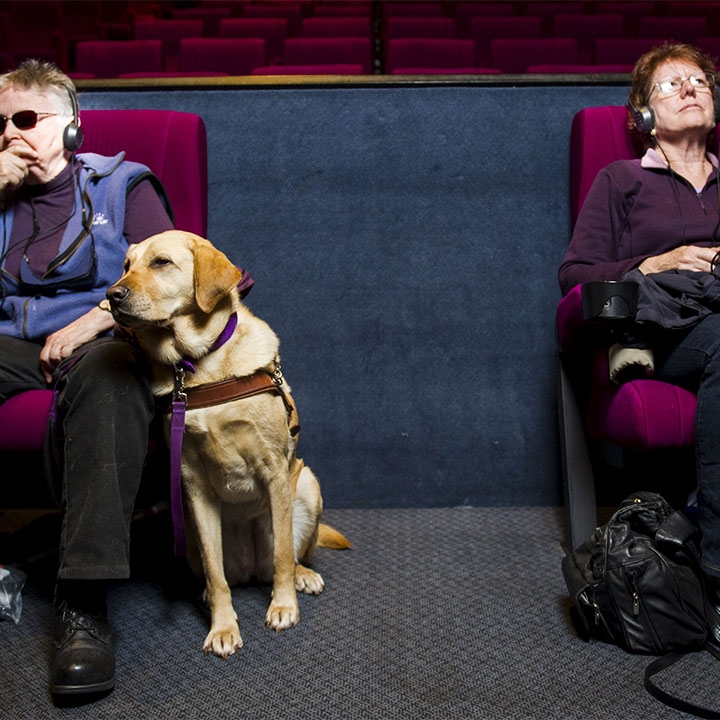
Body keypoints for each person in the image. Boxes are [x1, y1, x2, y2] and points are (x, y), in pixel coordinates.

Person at [0, 60, 244, 700]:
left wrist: (87, 325)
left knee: (112, 376)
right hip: (11, 343)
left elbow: (168, 282)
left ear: (72, 126)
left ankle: (81, 603)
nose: (10, 134)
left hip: (105, 340)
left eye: (26, 119)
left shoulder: (122, 186)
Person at [558, 42, 720, 644]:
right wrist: (659, 261)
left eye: (698, 80)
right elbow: (576, 276)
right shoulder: (622, 179)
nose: (689, 88)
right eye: (670, 83)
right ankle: (717, 573)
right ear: (643, 116)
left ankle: (699, 522)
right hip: (669, 333)